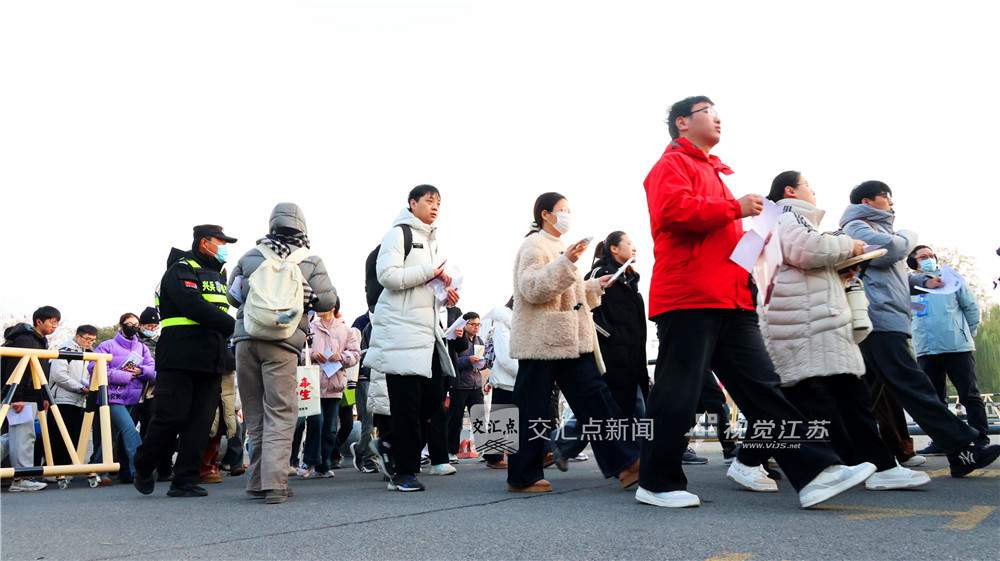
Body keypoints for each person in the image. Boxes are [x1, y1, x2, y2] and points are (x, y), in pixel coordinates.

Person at [639, 96, 875, 509]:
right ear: (682, 122)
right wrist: (735, 208)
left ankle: (816, 472)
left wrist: (755, 243)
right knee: (677, 393)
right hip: (690, 296)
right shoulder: (671, 164)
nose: (718, 118)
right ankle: (657, 483)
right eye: (708, 112)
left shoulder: (711, 171)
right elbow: (672, 213)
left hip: (731, 299)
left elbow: (725, 243)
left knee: (765, 390)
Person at [752, 171, 930, 491]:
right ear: (790, 191)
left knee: (846, 398)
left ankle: (874, 466)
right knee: (827, 401)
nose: (814, 191)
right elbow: (809, 250)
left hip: (816, 321)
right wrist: (849, 245)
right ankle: (821, 469)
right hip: (805, 324)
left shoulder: (785, 221)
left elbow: (803, 263)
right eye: (808, 185)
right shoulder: (786, 217)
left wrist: (841, 269)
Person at [839, 183, 1000, 477]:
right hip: (879, 320)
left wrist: (924, 282)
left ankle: (846, 456)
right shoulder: (857, 228)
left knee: (863, 396)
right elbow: (895, 250)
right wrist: (908, 235)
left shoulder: (877, 229)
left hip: (888, 320)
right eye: (886, 196)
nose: (891, 202)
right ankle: (962, 445)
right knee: (913, 385)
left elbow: (895, 274)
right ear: (867, 201)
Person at [507, 192, 641, 493]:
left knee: (596, 396)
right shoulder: (534, 244)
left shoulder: (558, 246)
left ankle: (627, 461)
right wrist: (566, 261)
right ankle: (522, 476)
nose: (567, 214)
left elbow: (567, 293)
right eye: (562, 209)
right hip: (542, 338)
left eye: (569, 209)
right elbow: (532, 289)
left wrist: (593, 286)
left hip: (569, 336)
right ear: (545, 214)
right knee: (531, 406)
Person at [228, 203, 337, 504]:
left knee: (255, 414)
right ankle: (274, 484)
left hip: (246, 340)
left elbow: (233, 297)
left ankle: (256, 482)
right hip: (282, 341)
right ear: (302, 226)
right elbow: (328, 301)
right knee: (280, 411)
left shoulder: (251, 255)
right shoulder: (309, 259)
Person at [364, 184, 461, 492]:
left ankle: (389, 443)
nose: (435, 207)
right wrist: (430, 272)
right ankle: (403, 474)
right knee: (406, 405)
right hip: (401, 331)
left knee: (432, 400)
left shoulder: (432, 241)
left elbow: (423, 287)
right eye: (429, 201)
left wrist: (445, 295)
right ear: (412, 203)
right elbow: (388, 276)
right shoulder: (398, 234)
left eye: (439, 203)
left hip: (427, 333)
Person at [132, 225, 237, 498]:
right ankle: (144, 464)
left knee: (201, 422)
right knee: (172, 416)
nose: (224, 248)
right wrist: (234, 325)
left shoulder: (220, 274)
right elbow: (192, 304)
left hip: (211, 357)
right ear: (204, 243)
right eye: (220, 242)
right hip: (180, 354)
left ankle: (185, 480)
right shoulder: (181, 268)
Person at [907, 245, 989, 452]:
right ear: (913, 262)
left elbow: (971, 308)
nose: (929, 259)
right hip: (926, 350)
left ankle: (981, 439)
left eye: (931, 255)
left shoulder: (951, 279)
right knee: (934, 400)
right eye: (923, 256)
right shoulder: (907, 285)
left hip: (957, 348)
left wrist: (966, 334)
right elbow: (907, 315)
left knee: (969, 395)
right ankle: (942, 442)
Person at [89, 313, 156, 482]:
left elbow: (152, 369)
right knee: (129, 429)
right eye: (129, 324)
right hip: (111, 396)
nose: (133, 327)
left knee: (112, 435)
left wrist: (140, 371)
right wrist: (126, 376)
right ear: (120, 325)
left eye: (136, 324)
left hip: (131, 397)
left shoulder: (142, 347)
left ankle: (97, 470)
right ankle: (138, 470)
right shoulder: (106, 345)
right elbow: (94, 368)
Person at [2, 306, 60, 492]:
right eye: (52, 322)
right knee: (23, 437)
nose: (55, 326)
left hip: (30, 395)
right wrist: (16, 397)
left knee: (12, 438)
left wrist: (42, 396)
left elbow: (41, 371)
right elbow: (15, 368)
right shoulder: (26, 339)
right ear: (39, 321)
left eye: (57, 323)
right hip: (21, 396)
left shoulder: (39, 340)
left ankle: (22, 477)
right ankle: (22, 479)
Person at [299, 300, 360, 478]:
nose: (317, 309)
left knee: (330, 428)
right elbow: (298, 350)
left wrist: (341, 356)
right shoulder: (310, 327)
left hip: (335, 384)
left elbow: (356, 353)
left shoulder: (345, 329)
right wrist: (311, 354)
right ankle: (309, 461)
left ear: (333, 307)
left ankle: (324, 465)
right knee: (315, 422)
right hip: (313, 384)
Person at [128, 307, 172, 482]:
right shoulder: (132, 341)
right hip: (132, 391)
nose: (152, 329)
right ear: (141, 325)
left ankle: (163, 469)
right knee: (128, 431)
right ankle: (127, 469)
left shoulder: (163, 342)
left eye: (155, 326)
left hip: (153, 393)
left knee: (153, 432)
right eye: (149, 326)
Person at [46, 325, 97, 474]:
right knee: (59, 437)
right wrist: (80, 388)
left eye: (92, 340)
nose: (89, 342)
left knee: (75, 436)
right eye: (87, 339)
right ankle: (55, 471)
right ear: (78, 337)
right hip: (62, 400)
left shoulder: (89, 353)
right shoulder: (65, 350)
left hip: (79, 401)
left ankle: (68, 468)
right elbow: (59, 375)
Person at [446, 312, 490, 464]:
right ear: (465, 325)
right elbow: (452, 362)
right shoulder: (456, 339)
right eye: (473, 324)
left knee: (479, 419)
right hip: (459, 386)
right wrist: (468, 360)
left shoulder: (479, 340)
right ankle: (451, 452)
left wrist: (482, 364)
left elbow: (484, 361)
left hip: (476, 385)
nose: (476, 327)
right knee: (455, 420)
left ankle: (483, 450)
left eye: (478, 324)